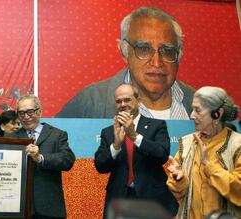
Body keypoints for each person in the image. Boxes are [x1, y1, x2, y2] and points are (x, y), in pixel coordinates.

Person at [56, 6, 195, 120]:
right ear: (124, 51)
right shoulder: (89, 101)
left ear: (179, 54)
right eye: (144, 49)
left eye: (167, 50)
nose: (157, 62)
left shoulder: (204, 104)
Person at [94, 84, 178, 218]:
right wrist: (116, 145)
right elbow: (100, 166)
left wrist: (134, 136)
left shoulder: (157, 125)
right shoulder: (108, 132)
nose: (122, 104)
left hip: (151, 198)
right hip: (120, 199)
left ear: (138, 101)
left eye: (127, 100)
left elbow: (162, 155)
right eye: (118, 101)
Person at [167, 86, 241, 219]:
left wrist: (209, 165)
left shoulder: (237, 144)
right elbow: (177, 193)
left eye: (198, 110)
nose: (191, 115)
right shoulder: (186, 143)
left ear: (217, 114)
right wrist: (179, 180)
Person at [8, 94, 75, 219]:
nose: (26, 117)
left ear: (39, 112)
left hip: (49, 207)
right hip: (18, 206)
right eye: (21, 113)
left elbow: (68, 160)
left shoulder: (57, 134)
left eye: (30, 112)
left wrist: (41, 158)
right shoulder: (10, 137)